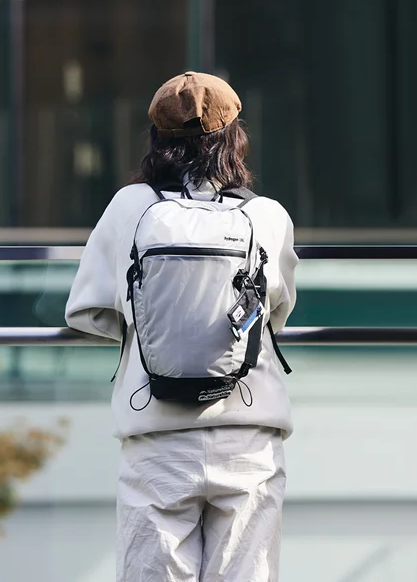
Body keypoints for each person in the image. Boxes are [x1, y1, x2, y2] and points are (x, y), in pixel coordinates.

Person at [65, 71, 298, 582]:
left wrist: (154, 332)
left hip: (157, 437)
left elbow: (86, 309)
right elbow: (276, 311)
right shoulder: (267, 215)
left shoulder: (131, 206)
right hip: (248, 437)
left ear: (156, 137)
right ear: (235, 137)